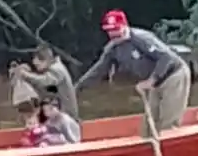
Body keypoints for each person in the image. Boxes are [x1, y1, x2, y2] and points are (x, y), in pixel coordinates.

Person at [76, 9, 190, 137]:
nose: (113, 34)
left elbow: (166, 58)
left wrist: (151, 80)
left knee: (168, 122)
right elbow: (98, 70)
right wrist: (79, 86)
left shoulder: (142, 39)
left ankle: (171, 147)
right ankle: (148, 146)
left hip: (173, 76)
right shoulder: (112, 48)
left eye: (116, 29)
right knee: (149, 124)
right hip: (154, 84)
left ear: (124, 26)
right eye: (109, 31)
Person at [9, 44, 79, 120]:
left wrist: (25, 75)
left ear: (45, 59)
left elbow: (44, 82)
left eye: (37, 61)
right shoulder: (53, 68)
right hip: (59, 113)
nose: (34, 63)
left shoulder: (57, 69)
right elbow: (43, 89)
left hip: (66, 118)